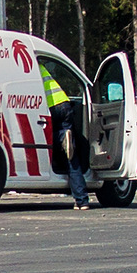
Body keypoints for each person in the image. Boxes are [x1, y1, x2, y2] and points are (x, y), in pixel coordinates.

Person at [39, 63, 89, 210]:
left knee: (46, 139)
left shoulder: (24, 67)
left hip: (49, 107)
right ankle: (82, 200)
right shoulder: (41, 66)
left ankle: (61, 139)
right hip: (64, 103)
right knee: (71, 158)